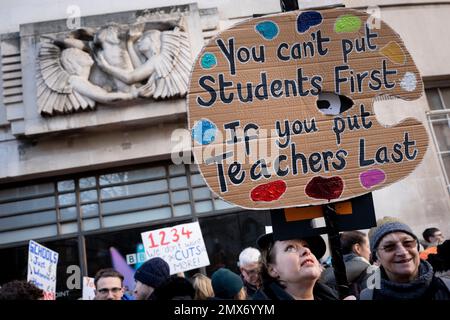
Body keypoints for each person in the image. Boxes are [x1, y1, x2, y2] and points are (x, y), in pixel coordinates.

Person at [360, 221, 450, 300]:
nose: (402, 252)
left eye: (408, 243)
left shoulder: (446, 287)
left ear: (417, 248)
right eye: (389, 247)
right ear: (376, 258)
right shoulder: (368, 297)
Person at [252, 233, 339, 300]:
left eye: (306, 246)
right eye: (290, 248)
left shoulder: (335, 296)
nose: (306, 250)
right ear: (272, 270)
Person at [321, 231, 372, 297]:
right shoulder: (368, 270)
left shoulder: (326, 271)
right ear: (357, 248)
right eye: (367, 246)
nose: (369, 251)